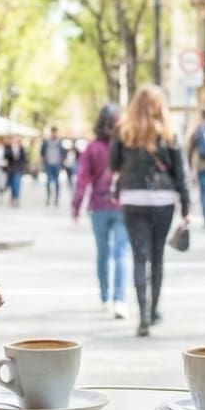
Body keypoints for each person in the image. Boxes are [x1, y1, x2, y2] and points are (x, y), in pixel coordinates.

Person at [110, 84, 190, 337]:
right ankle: (153, 310)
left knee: (139, 257)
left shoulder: (124, 131)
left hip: (133, 198)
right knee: (157, 257)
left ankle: (142, 315)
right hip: (163, 199)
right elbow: (181, 172)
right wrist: (187, 207)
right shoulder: (169, 132)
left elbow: (113, 164)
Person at [71, 105, 130, 321]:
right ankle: (120, 300)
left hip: (98, 206)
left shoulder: (92, 148)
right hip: (122, 205)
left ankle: (105, 297)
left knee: (103, 252)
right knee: (121, 252)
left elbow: (82, 179)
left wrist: (76, 207)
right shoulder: (126, 146)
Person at [40, 126, 66, 207]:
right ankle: (48, 197)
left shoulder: (60, 142)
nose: (54, 134)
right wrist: (43, 161)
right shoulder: (46, 142)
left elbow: (64, 152)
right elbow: (42, 153)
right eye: (53, 132)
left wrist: (62, 161)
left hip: (57, 164)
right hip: (48, 164)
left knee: (57, 182)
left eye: (55, 132)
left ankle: (56, 199)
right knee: (48, 181)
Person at [2, 135, 28, 208]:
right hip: (10, 170)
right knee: (12, 185)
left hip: (18, 169)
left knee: (16, 184)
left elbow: (24, 159)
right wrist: (13, 152)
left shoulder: (21, 148)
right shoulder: (8, 147)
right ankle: (13, 197)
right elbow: (5, 156)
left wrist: (22, 166)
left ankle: (16, 198)